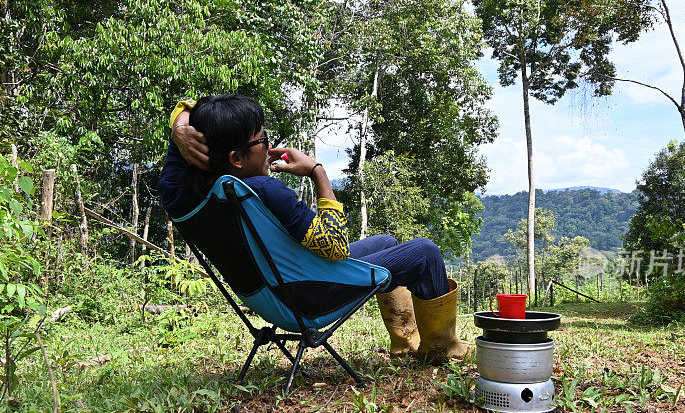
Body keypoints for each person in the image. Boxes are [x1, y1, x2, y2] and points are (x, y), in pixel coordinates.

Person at [158, 94, 468, 363]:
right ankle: (442, 347)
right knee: (425, 253)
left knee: (386, 241)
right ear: (236, 158)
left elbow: (183, 114)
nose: (268, 148)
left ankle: (405, 344)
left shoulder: (179, 195)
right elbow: (336, 248)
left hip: (270, 296)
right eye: (262, 141)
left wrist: (180, 127)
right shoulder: (264, 190)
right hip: (309, 296)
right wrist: (317, 172)